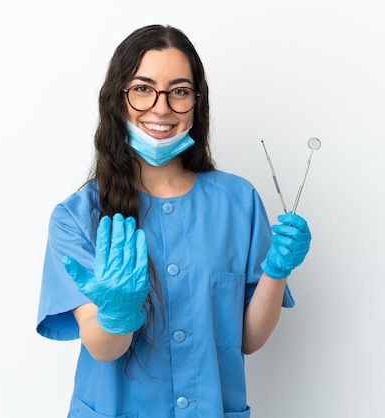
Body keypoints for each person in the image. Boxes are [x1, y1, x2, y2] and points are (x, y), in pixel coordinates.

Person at [36, 24, 311, 417]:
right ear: (117, 98)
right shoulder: (76, 217)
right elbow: (102, 347)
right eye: (143, 88)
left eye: (179, 91)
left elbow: (247, 338)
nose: (162, 107)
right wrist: (118, 314)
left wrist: (277, 270)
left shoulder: (239, 202)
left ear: (197, 103)